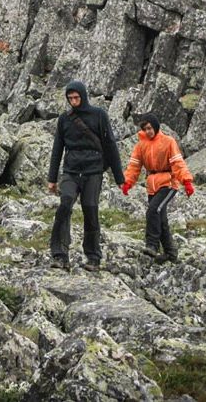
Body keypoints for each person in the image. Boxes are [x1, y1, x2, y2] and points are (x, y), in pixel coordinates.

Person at [48, 80, 126, 271]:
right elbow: (57, 148)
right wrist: (52, 178)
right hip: (71, 171)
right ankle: (60, 255)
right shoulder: (64, 119)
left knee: (90, 210)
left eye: (76, 97)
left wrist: (119, 178)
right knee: (65, 204)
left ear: (83, 96)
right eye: (70, 98)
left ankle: (93, 257)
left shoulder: (99, 115)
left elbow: (110, 146)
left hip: (93, 172)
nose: (73, 101)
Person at [121, 113, 194, 263]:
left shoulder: (168, 142)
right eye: (145, 129)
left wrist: (186, 182)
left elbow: (177, 163)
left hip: (168, 183)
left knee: (153, 210)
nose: (148, 131)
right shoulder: (141, 145)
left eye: (149, 128)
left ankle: (152, 245)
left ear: (155, 126)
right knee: (160, 219)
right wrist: (128, 182)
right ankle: (170, 253)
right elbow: (134, 166)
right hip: (152, 185)